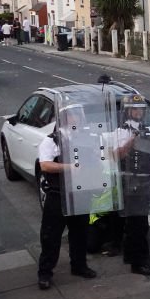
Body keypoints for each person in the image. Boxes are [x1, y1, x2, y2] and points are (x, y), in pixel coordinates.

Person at [37, 103, 99, 289]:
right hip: (58, 194)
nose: (78, 118)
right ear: (63, 118)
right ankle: (45, 273)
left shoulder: (84, 138)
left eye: (79, 114)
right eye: (73, 115)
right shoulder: (51, 141)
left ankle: (79, 266)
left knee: (80, 232)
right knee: (51, 235)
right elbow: (45, 165)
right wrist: (70, 168)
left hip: (80, 192)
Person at [115, 94, 150, 275]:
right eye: (135, 109)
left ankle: (130, 255)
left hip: (145, 179)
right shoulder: (122, 131)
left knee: (140, 222)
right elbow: (117, 154)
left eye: (141, 109)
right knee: (137, 224)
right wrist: (132, 140)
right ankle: (138, 262)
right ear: (127, 111)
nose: (138, 112)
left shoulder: (145, 129)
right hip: (131, 181)